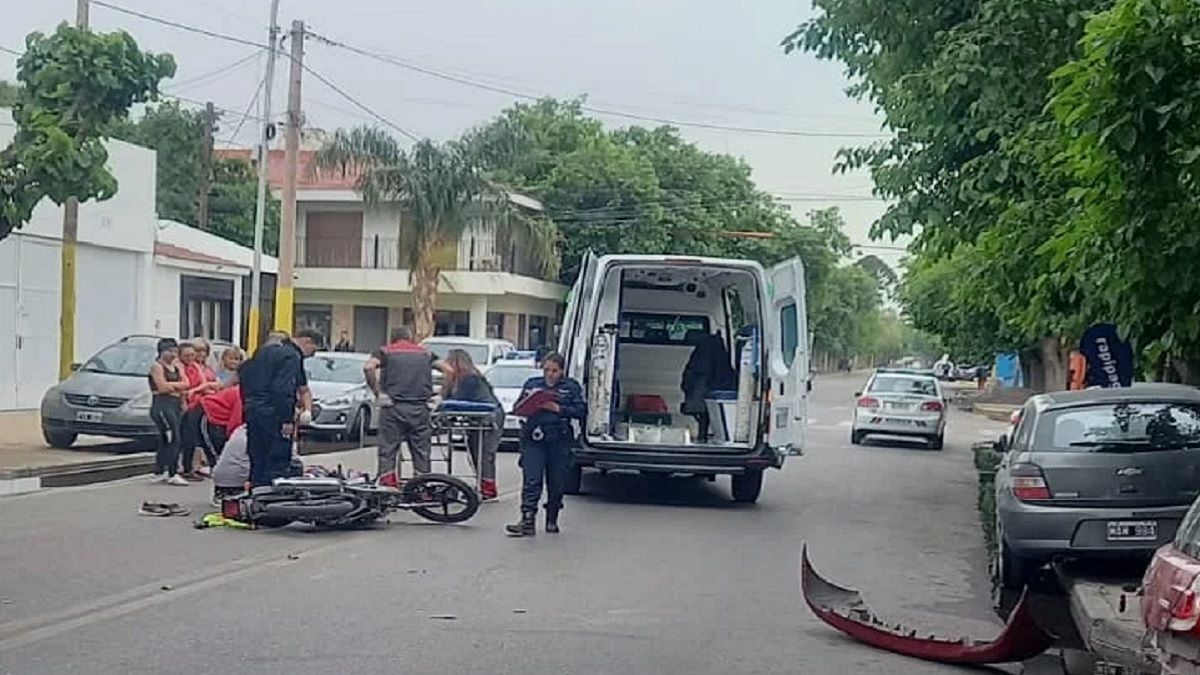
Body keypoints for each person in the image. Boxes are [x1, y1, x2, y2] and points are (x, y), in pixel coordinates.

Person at [506, 352, 585, 537]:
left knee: (556, 482)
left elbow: (581, 410)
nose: (550, 374)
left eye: (554, 371)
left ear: (562, 371)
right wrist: (529, 405)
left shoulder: (571, 387)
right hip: (533, 437)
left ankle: (552, 517)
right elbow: (518, 406)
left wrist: (559, 409)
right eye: (547, 370)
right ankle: (527, 520)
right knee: (532, 480)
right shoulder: (532, 384)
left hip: (559, 438)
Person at [364, 326, 447, 486]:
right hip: (420, 408)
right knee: (421, 452)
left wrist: (378, 393)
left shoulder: (385, 351)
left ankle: (388, 485)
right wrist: (440, 396)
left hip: (393, 408)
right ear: (410, 338)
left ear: (392, 338)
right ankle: (422, 486)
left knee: (388, 450)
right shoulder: (426, 353)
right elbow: (449, 370)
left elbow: (369, 367)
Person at [239, 329, 320, 487]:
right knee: (277, 462)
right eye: (313, 350)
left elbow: (244, 375)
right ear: (307, 341)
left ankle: (256, 492)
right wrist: (286, 419)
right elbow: (283, 389)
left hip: (253, 409)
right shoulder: (291, 356)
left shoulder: (263, 351)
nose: (312, 355)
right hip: (274, 413)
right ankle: (272, 496)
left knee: (257, 459)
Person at [441, 349, 504, 501]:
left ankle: (488, 488)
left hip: (489, 418)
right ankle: (484, 484)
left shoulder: (469, 379)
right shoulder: (472, 378)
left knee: (483, 452)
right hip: (482, 418)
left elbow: (455, 400)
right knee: (477, 449)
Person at [148, 338, 191, 486]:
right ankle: (172, 472)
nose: (173, 355)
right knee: (173, 438)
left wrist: (174, 387)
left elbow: (187, 383)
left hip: (175, 404)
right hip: (162, 405)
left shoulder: (177, 367)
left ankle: (160, 470)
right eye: (169, 351)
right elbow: (162, 387)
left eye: (174, 351)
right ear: (161, 351)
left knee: (166, 439)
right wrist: (177, 386)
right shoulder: (157, 366)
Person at [179, 340, 220, 479]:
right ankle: (187, 468)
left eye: (203, 350)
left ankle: (200, 466)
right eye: (197, 351)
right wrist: (203, 389)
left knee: (201, 436)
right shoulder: (183, 367)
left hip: (204, 403)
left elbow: (208, 384)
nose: (200, 354)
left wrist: (203, 389)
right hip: (192, 404)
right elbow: (187, 385)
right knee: (189, 437)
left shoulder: (202, 367)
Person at [198, 384, 243, 469]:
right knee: (218, 456)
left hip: (223, 418)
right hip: (208, 413)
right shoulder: (241, 394)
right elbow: (235, 423)